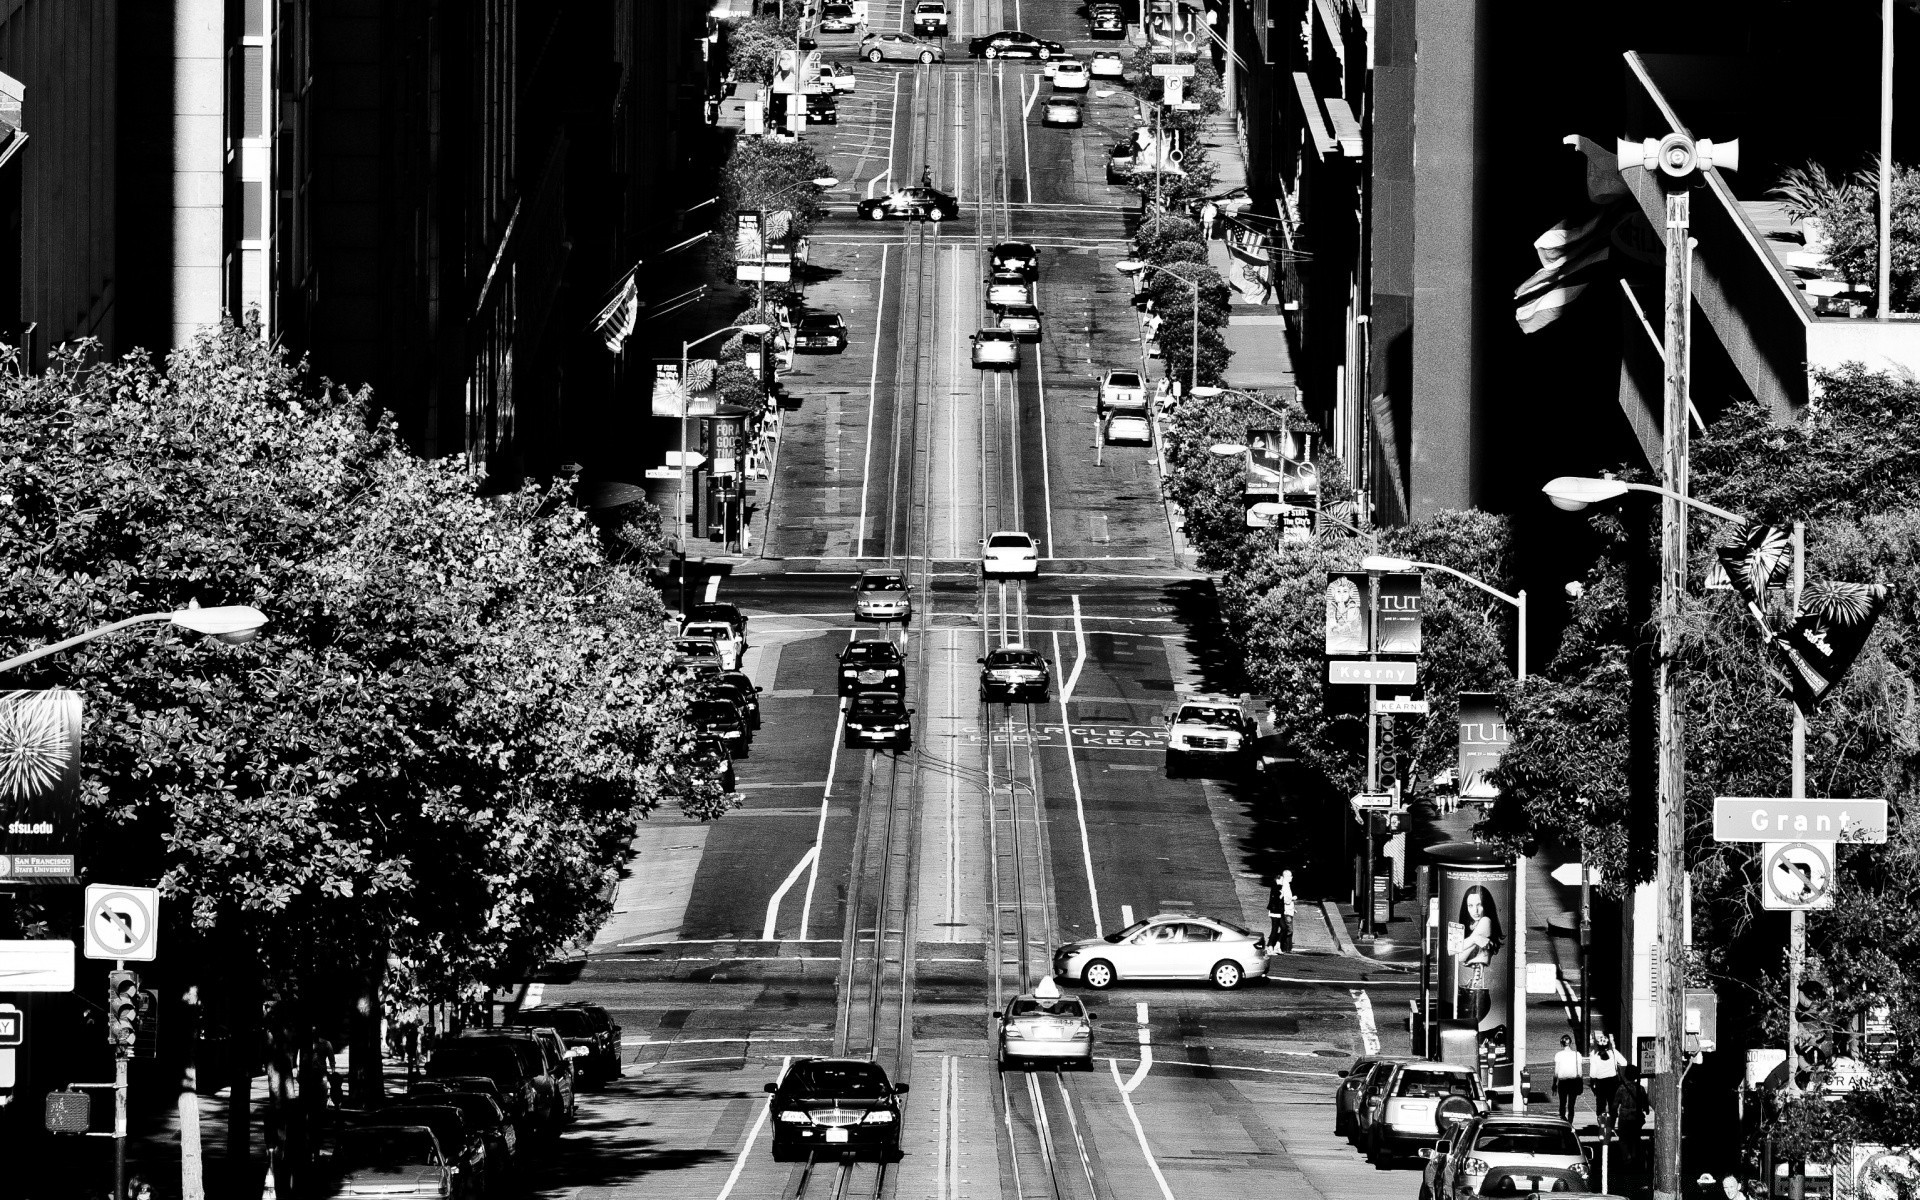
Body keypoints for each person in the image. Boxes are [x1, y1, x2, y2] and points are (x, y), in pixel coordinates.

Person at [1451, 885, 1504, 1021]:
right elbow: (1455, 952)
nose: (1475, 910)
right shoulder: (1473, 926)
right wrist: (1474, 939)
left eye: (1479, 905)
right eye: (1470, 906)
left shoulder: (1485, 922)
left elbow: (1459, 955)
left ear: (1486, 905)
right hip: (1471, 988)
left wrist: (1472, 939)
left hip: (1477, 992)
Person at [1590, 1033, 1626, 1128]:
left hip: (1600, 1082)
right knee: (1613, 1104)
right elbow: (1624, 1062)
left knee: (1601, 1104)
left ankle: (1602, 1125)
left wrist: (1592, 1084)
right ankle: (1612, 1125)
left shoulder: (1594, 1054)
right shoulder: (1613, 1052)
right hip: (1613, 1081)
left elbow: (1593, 1073)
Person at [1553, 1034, 1584, 1123]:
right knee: (1571, 1105)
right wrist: (1580, 1083)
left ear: (1561, 1044)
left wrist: (1554, 1083)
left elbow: (1556, 1072)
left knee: (1562, 1103)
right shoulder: (1577, 1054)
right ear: (1570, 1043)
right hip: (1573, 1082)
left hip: (1562, 1082)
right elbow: (1580, 1072)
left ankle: (1563, 1119)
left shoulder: (1559, 1055)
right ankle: (1570, 1122)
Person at [1267, 870, 1297, 954]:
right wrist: (1285, 897)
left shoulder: (1280, 888)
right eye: (1280, 880)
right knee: (1275, 929)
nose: (1282, 881)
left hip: (1279, 912)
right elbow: (1278, 900)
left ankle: (1277, 945)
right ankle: (1270, 947)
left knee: (1283, 928)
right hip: (1275, 912)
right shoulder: (1276, 888)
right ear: (1277, 880)